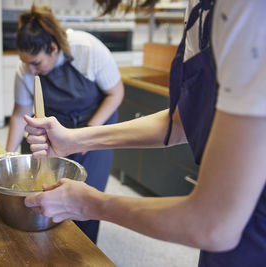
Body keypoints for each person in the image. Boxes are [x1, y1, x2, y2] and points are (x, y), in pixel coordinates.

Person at [22, 0, 266, 266]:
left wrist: (90, 204)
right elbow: (181, 122)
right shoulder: (199, 8)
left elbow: (214, 224)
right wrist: (72, 139)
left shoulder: (249, 9)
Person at [5, 5, 125, 243]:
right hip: (54, 128)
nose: (30, 69)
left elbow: (116, 94)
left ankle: (84, 251)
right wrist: (7, 155)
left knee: (87, 197)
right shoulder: (25, 70)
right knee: (43, 189)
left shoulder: (88, 50)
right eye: (25, 62)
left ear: (53, 48)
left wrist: (89, 133)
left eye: (36, 63)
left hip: (95, 124)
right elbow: (20, 115)